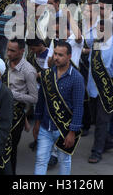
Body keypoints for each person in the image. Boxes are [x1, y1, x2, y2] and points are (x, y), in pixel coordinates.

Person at [33, 41, 85, 174]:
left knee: (64, 161)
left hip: (64, 130)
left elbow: (79, 107)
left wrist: (72, 132)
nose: (56, 57)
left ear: (69, 56)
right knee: (40, 160)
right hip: (45, 126)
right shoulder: (47, 75)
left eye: (60, 55)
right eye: (55, 54)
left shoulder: (77, 78)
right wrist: (37, 123)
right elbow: (41, 102)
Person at [87, 20, 113, 164]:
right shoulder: (95, 44)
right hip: (92, 89)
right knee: (96, 120)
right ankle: (107, 141)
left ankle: (96, 151)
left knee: (102, 121)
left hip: (107, 90)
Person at [5, 38, 38, 175]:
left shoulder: (29, 71)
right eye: (8, 49)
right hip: (1, 111)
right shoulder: (6, 63)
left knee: (11, 150)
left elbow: (34, 98)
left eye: (12, 51)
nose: (8, 53)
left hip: (16, 115)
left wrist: (12, 94)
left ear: (22, 51)